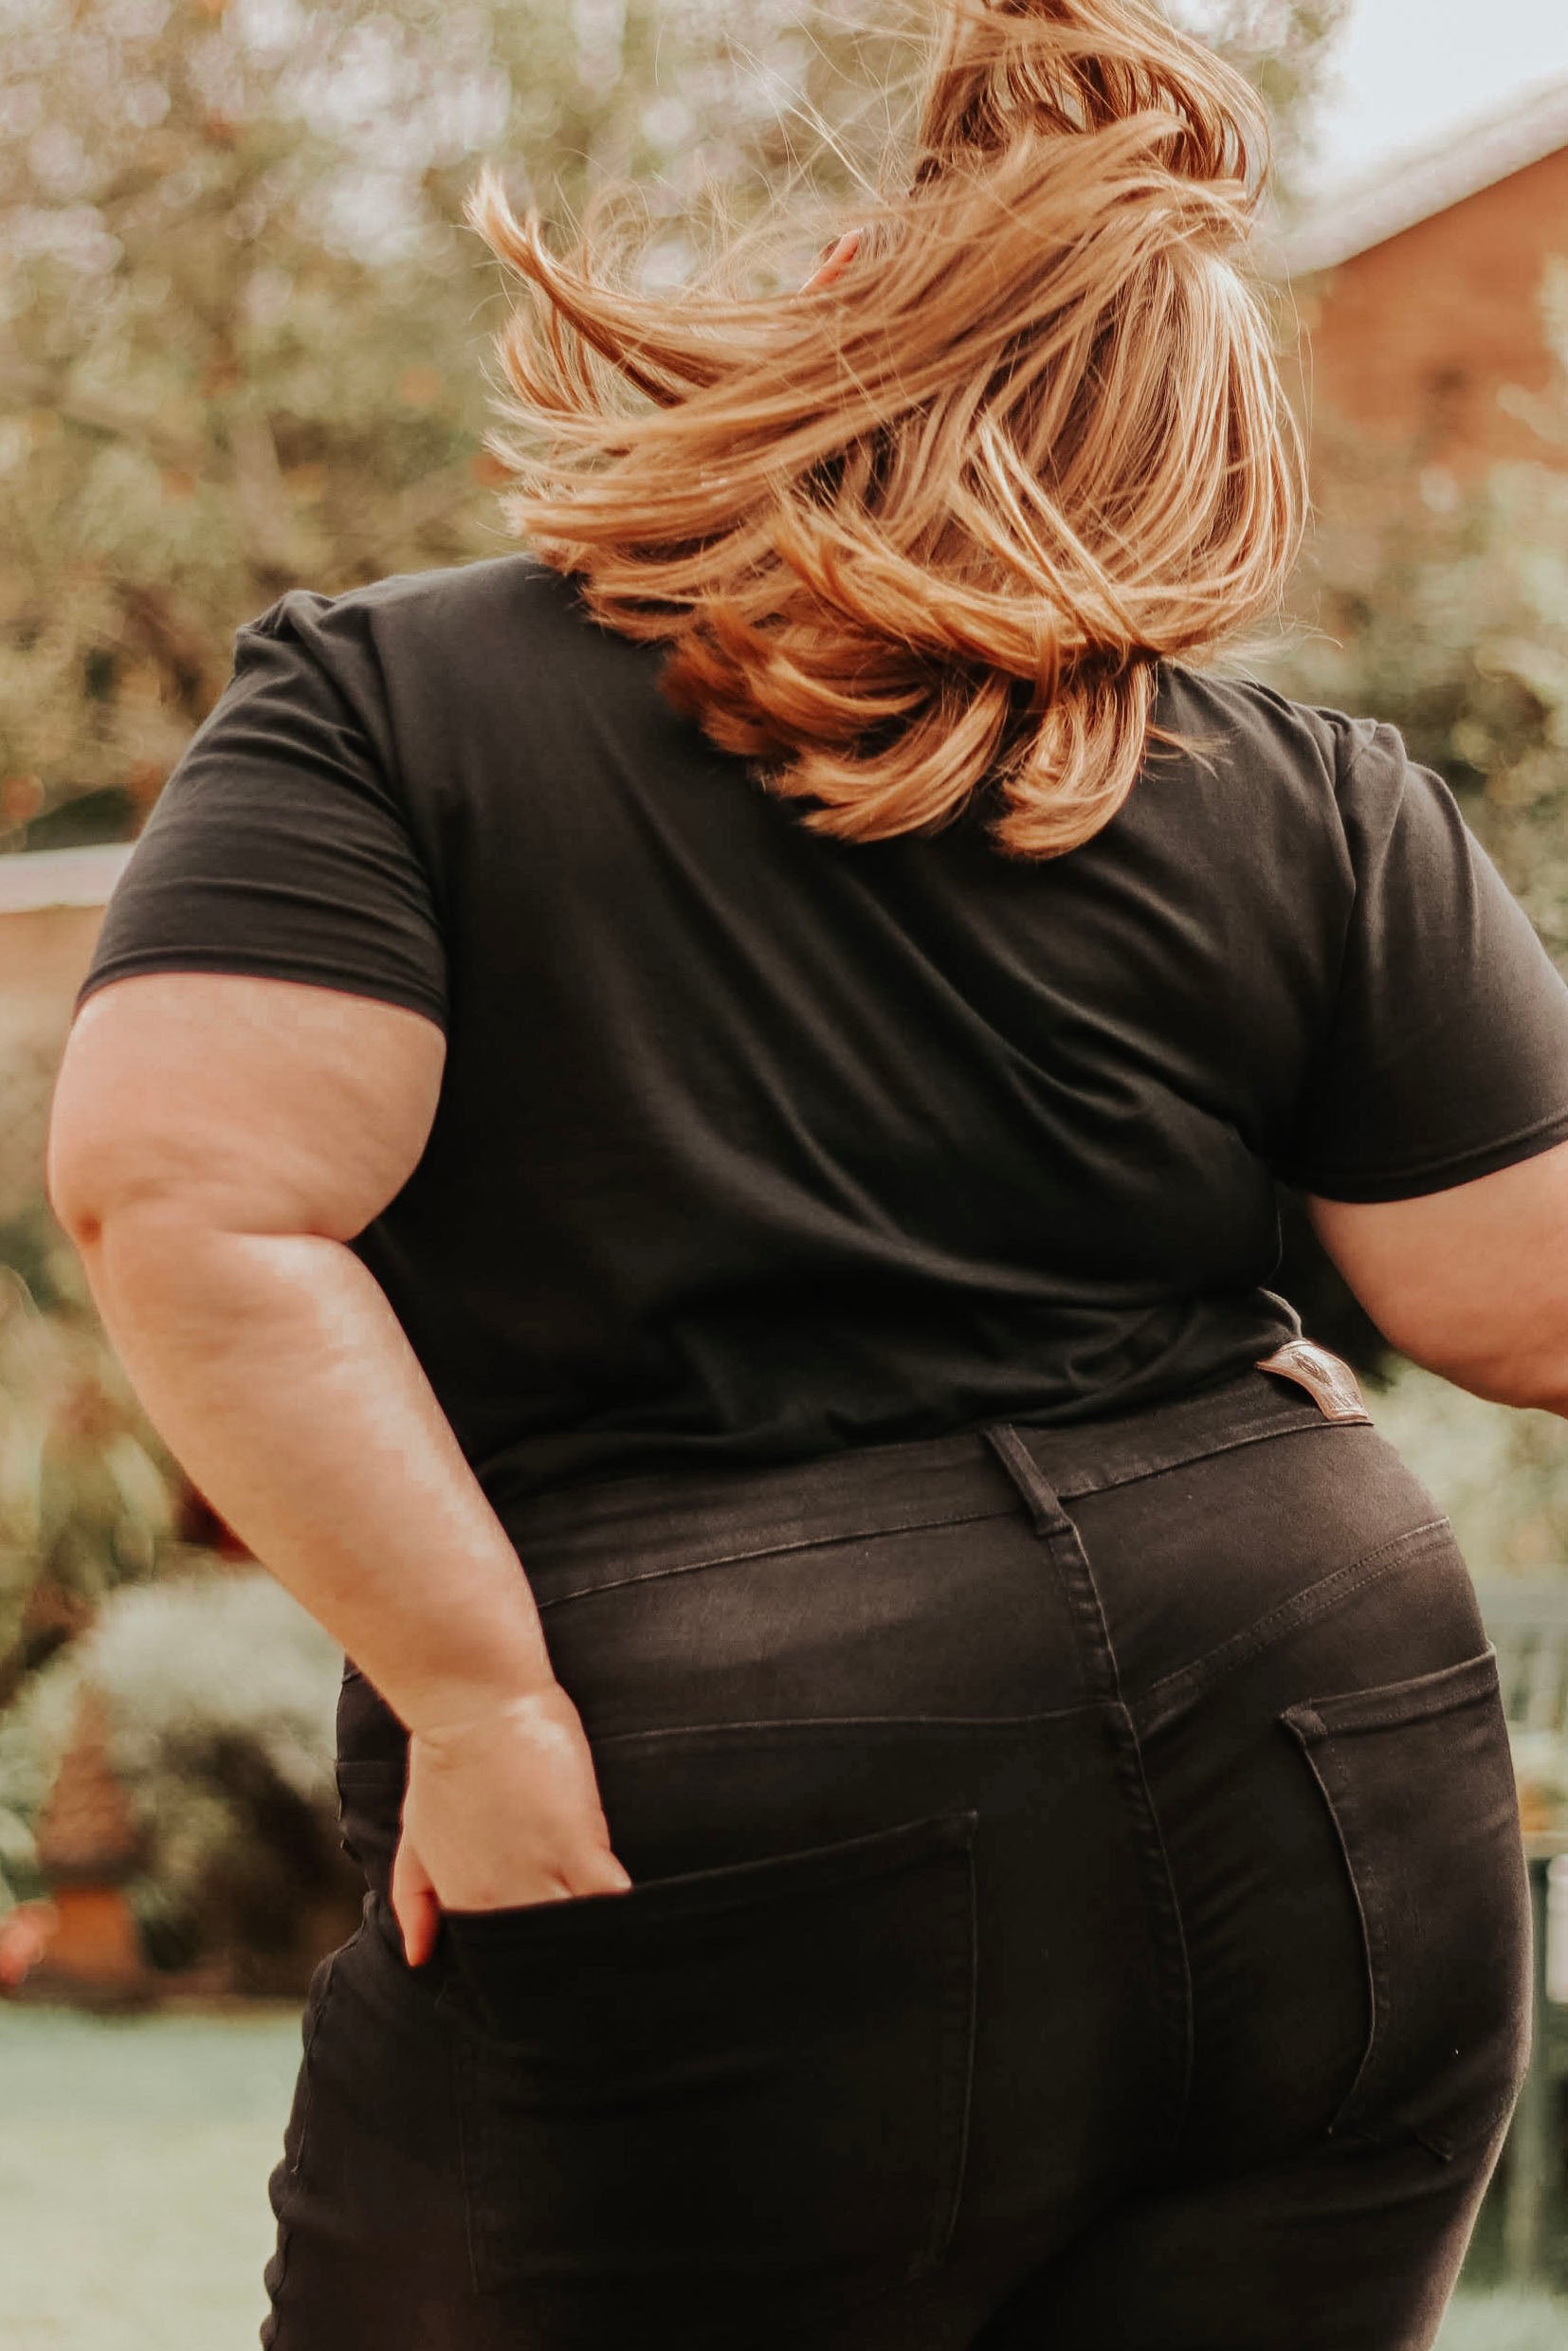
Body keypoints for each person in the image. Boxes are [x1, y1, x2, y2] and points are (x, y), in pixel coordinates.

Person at [42, 1, 1564, 2344]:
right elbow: (1520, 1295)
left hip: (709, 1762)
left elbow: (194, 1196)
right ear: (1185, 450)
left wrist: (481, 1700)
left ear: (816, 328)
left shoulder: (392, 702)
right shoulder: (1309, 790)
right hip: (1321, 1740)